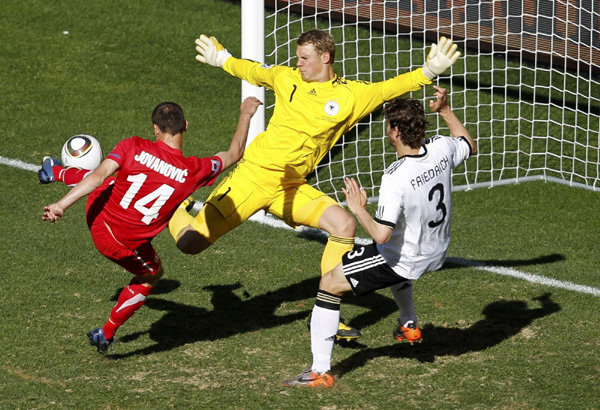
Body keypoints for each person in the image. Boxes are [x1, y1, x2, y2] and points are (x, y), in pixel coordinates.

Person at [167, 30, 461, 340]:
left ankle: (327, 308)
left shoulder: (351, 95)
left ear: (325, 57)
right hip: (252, 177)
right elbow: (253, 70)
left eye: (304, 58)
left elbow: (389, 88)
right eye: (298, 57)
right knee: (190, 245)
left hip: (291, 186)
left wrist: (428, 71)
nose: (299, 64)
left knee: (344, 224)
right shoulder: (287, 78)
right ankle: (172, 208)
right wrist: (222, 59)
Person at [281, 86, 477, 387]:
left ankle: (320, 372)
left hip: (406, 256)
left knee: (329, 283)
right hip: (438, 251)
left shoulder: (395, 176)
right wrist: (446, 112)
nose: (386, 131)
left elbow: (382, 235)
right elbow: (468, 144)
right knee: (390, 254)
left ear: (396, 131)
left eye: (388, 126)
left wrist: (359, 210)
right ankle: (409, 325)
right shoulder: (441, 147)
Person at [42, 97, 262, 353]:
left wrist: (60, 206)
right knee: (152, 274)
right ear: (186, 126)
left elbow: (97, 177)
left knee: (109, 179)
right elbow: (235, 153)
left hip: (97, 213)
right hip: (121, 244)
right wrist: (246, 113)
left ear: (156, 129)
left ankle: (55, 173)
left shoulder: (132, 146)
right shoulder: (194, 170)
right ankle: (107, 332)